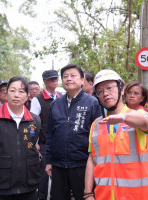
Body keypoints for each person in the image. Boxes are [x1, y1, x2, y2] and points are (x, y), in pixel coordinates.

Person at [84, 69, 148, 200]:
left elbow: (145, 122)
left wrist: (123, 117)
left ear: (122, 89)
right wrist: (88, 193)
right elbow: (91, 159)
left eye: (109, 88)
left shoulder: (138, 115)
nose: (105, 94)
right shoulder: (96, 125)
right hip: (103, 196)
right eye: (100, 91)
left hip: (137, 196)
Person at [0, 76, 41, 200]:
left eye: (21, 91)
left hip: (28, 185)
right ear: (6, 94)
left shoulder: (35, 119)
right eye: (12, 90)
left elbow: (34, 146)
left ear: (27, 95)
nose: (16, 95)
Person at [45, 64, 102, 200]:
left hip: (82, 164)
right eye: (65, 76)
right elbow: (50, 134)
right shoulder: (55, 104)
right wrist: (49, 161)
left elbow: (98, 135)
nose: (69, 79)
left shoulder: (92, 102)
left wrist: (95, 162)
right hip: (58, 164)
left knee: (84, 196)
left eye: (73, 76)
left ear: (82, 80)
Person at [30, 69, 61, 200]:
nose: (54, 80)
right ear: (44, 81)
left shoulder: (61, 97)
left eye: (55, 78)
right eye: (50, 79)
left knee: (59, 176)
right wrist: (35, 143)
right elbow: (33, 122)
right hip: (44, 143)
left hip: (60, 144)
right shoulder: (38, 99)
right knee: (43, 176)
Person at [123, 81, 148, 184]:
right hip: (123, 159)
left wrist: (140, 139)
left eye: (136, 93)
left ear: (142, 98)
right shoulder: (119, 113)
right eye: (129, 92)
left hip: (145, 159)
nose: (132, 95)